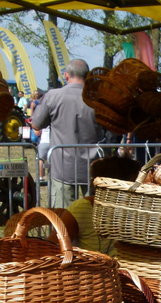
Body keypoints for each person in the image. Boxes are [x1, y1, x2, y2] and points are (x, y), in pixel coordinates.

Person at [31, 59, 105, 209]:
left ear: (66, 75)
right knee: (92, 218)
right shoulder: (97, 99)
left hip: (62, 167)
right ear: (88, 75)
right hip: (92, 166)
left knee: (63, 219)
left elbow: (36, 123)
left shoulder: (53, 96)